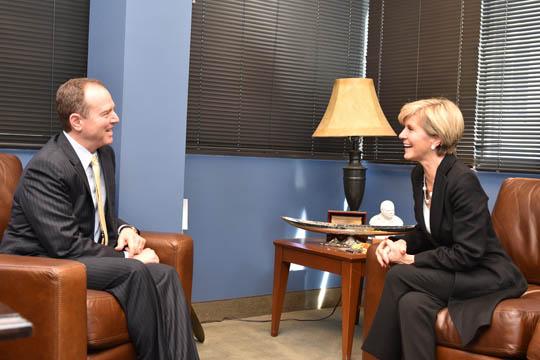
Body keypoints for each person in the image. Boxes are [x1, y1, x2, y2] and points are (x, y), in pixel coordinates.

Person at [0, 78, 200, 360]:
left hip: (77, 256)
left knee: (165, 274)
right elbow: (64, 245)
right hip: (42, 262)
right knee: (136, 271)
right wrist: (129, 260)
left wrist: (126, 229)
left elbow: (98, 215)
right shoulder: (47, 167)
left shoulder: (104, 156)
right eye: (106, 113)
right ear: (77, 121)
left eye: (113, 111)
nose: (116, 119)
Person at [361, 98, 527, 360]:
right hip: (455, 271)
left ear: (436, 138)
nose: (401, 134)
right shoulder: (419, 176)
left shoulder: (462, 181)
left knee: (399, 276)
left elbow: (469, 253)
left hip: (485, 274)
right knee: (412, 304)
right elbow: (429, 232)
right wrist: (399, 243)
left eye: (410, 129)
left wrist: (411, 259)